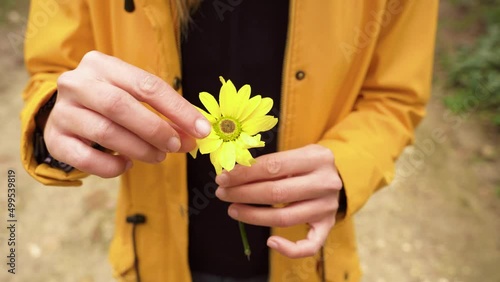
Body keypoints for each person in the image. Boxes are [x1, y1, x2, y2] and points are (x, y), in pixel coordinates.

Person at [20, 0, 438, 281]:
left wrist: (350, 163)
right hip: (154, 256)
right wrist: (55, 118)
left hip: (307, 258)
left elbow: (395, 97)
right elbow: (54, 72)